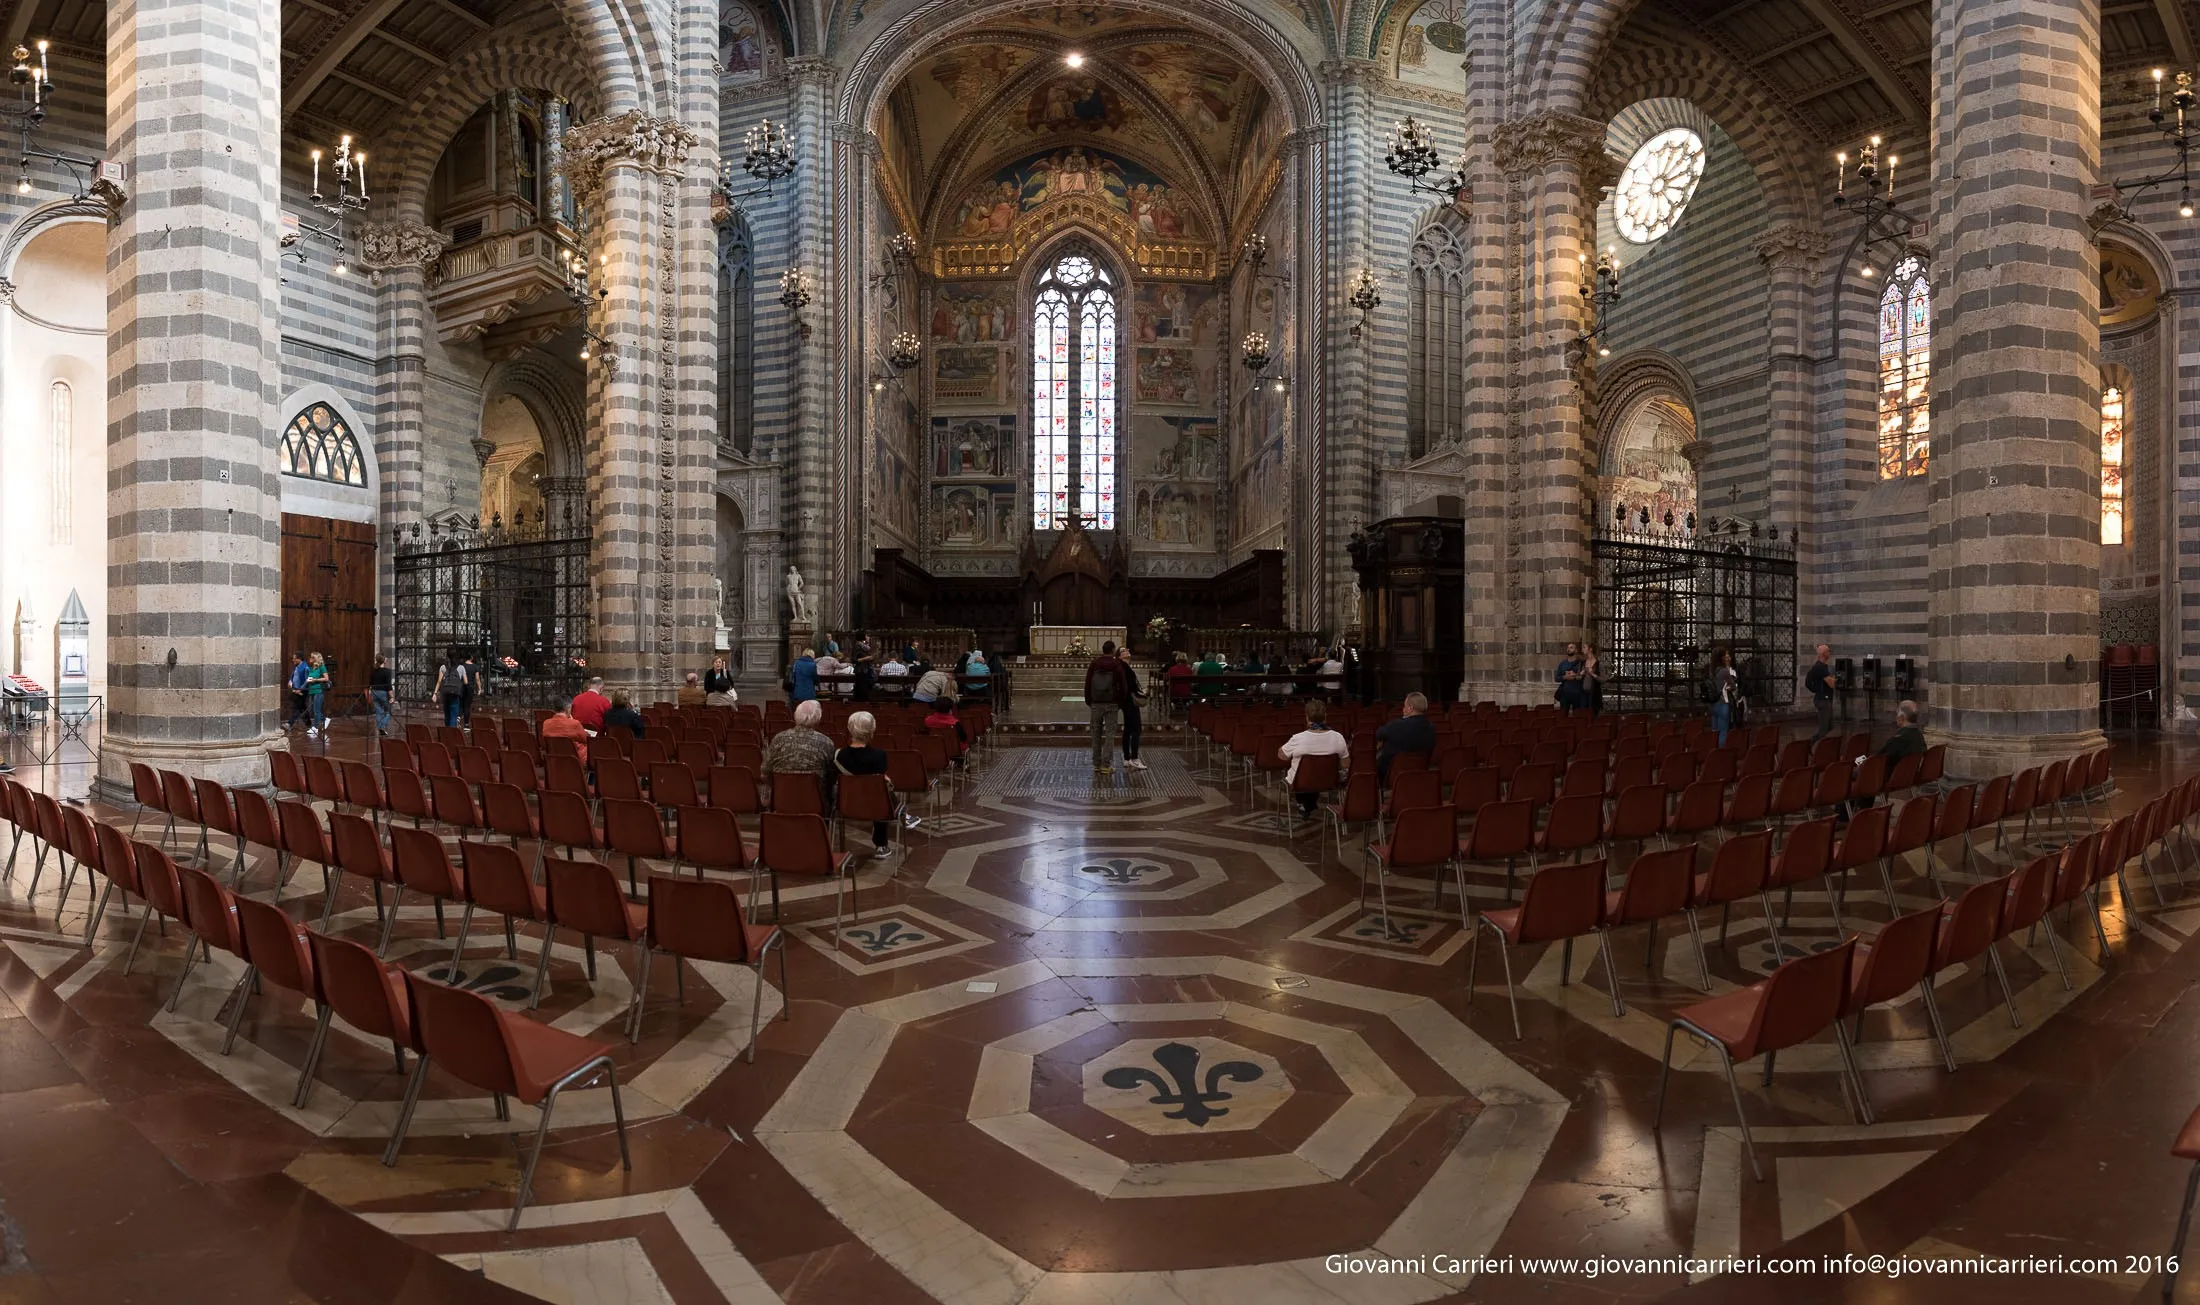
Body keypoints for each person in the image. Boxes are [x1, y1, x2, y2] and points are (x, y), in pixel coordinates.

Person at [834, 710, 899, 857]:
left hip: (846, 804)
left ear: (850, 729)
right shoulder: (879, 755)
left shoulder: (840, 755)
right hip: (874, 806)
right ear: (872, 730)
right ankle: (881, 845)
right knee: (882, 793)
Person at [1278, 700, 1351, 817]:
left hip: (1301, 783)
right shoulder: (1338, 737)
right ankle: (1308, 804)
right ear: (1325, 716)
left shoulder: (1298, 738)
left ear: (1307, 718)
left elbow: (1282, 756)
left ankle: (1304, 803)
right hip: (1329, 781)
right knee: (1317, 773)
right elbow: (1346, 764)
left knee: (1304, 773)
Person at [764, 698, 836, 781]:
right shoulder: (826, 742)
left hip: (782, 792)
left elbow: (765, 771)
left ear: (795, 716)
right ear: (818, 720)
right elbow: (832, 777)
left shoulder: (778, 738)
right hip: (815, 792)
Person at [1084, 639, 1128, 775]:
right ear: (1113, 650)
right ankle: (1106, 765)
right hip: (1112, 703)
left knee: (1095, 734)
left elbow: (1088, 683)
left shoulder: (1094, 663)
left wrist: (1089, 701)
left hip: (1096, 703)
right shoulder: (1116, 664)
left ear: (1103, 650)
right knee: (1109, 735)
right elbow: (1123, 684)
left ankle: (1096, 763)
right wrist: (1120, 702)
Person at [1375, 691, 1437, 779]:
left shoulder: (1397, 725)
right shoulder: (1431, 728)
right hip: (1420, 773)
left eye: (1404, 706)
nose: (1403, 709)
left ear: (1410, 708)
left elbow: (1379, 734)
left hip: (1392, 775)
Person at [1706, 646, 1740, 746]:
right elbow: (1733, 686)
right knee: (1723, 732)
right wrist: (1727, 688)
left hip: (1713, 704)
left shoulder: (1711, 671)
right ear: (1721, 658)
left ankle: (1713, 751)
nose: (1727, 657)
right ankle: (1721, 754)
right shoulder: (1724, 671)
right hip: (1722, 703)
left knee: (1714, 730)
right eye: (1725, 655)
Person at [540, 696, 589, 763]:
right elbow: (585, 739)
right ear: (568, 708)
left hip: (555, 758)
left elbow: (544, 743)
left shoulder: (546, 723)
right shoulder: (575, 724)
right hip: (575, 759)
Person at [1120, 659, 1148, 771]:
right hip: (1130, 700)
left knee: (1127, 729)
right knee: (1136, 728)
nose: (1126, 650)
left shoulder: (1122, 667)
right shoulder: (1124, 667)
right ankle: (1135, 758)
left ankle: (1127, 758)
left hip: (1125, 700)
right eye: (1123, 651)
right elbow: (1131, 685)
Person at [1805, 644, 1836, 743]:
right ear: (1824, 654)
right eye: (1828, 651)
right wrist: (1834, 680)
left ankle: (1817, 746)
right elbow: (1831, 684)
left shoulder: (1822, 667)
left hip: (1825, 699)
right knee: (1824, 728)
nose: (1830, 653)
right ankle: (1811, 744)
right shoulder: (1820, 667)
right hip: (1823, 700)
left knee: (1829, 726)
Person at [432, 650, 469, 728]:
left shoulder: (443, 667)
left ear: (447, 657)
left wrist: (435, 693)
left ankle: (446, 732)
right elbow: (466, 682)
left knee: (447, 715)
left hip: (445, 693)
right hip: (455, 694)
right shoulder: (461, 667)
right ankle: (451, 735)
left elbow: (439, 681)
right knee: (453, 716)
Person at [1554, 641, 1587, 713]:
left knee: (1578, 715)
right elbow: (1556, 678)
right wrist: (1565, 677)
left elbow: (1584, 676)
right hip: (1565, 694)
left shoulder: (1580, 663)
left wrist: (1574, 675)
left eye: (1571, 648)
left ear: (1576, 650)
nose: (1569, 649)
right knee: (1563, 715)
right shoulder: (1562, 664)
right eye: (1568, 648)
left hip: (1577, 693)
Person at [304, 652, 330, 736]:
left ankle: (315, 728)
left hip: (318, 691)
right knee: (312, 710)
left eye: (312, 657)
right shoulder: (311, 668)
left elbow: (326, 678)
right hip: (311, 690)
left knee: (316, 710)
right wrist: (308, 680)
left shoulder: (321, 667)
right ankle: (325, 719)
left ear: (315, 658)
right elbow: (309, 677)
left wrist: (316, 680)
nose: (310, 658)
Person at [285, 652, 312, 732]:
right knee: (302, 708)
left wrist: (300, 689)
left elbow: (307, 680)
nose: (293, 660)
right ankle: (309, 725)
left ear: (299, 659)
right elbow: (293, 675)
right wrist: (290, 681)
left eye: (294, 658)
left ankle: (290, 724)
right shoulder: (296, 666)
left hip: (302, 691)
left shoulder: (305, 667)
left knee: (297, 707)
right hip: (295, 689)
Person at [368, 655, 393, 734]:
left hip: (374, 692)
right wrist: (392, 696)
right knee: (388, 711)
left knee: (379, 712)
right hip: (383, 693)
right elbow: (388, 685)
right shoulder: (387, 671)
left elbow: (370, 683)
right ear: (384, 661)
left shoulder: (374, 671)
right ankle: (382, 726)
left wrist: (370, 692)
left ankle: (380, 728)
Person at [1581, 642, 1603, 719]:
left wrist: (1592, 674)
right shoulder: (1583, 662)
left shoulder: (1598, 663)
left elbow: (1602, 679)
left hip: (1594, 693)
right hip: (1583, 693)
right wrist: (1581, 674)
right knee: (1583, 714)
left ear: (1590, 649)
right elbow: (1578, 677)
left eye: (1584, 647)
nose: (1582, 649)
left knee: (1592, 715)